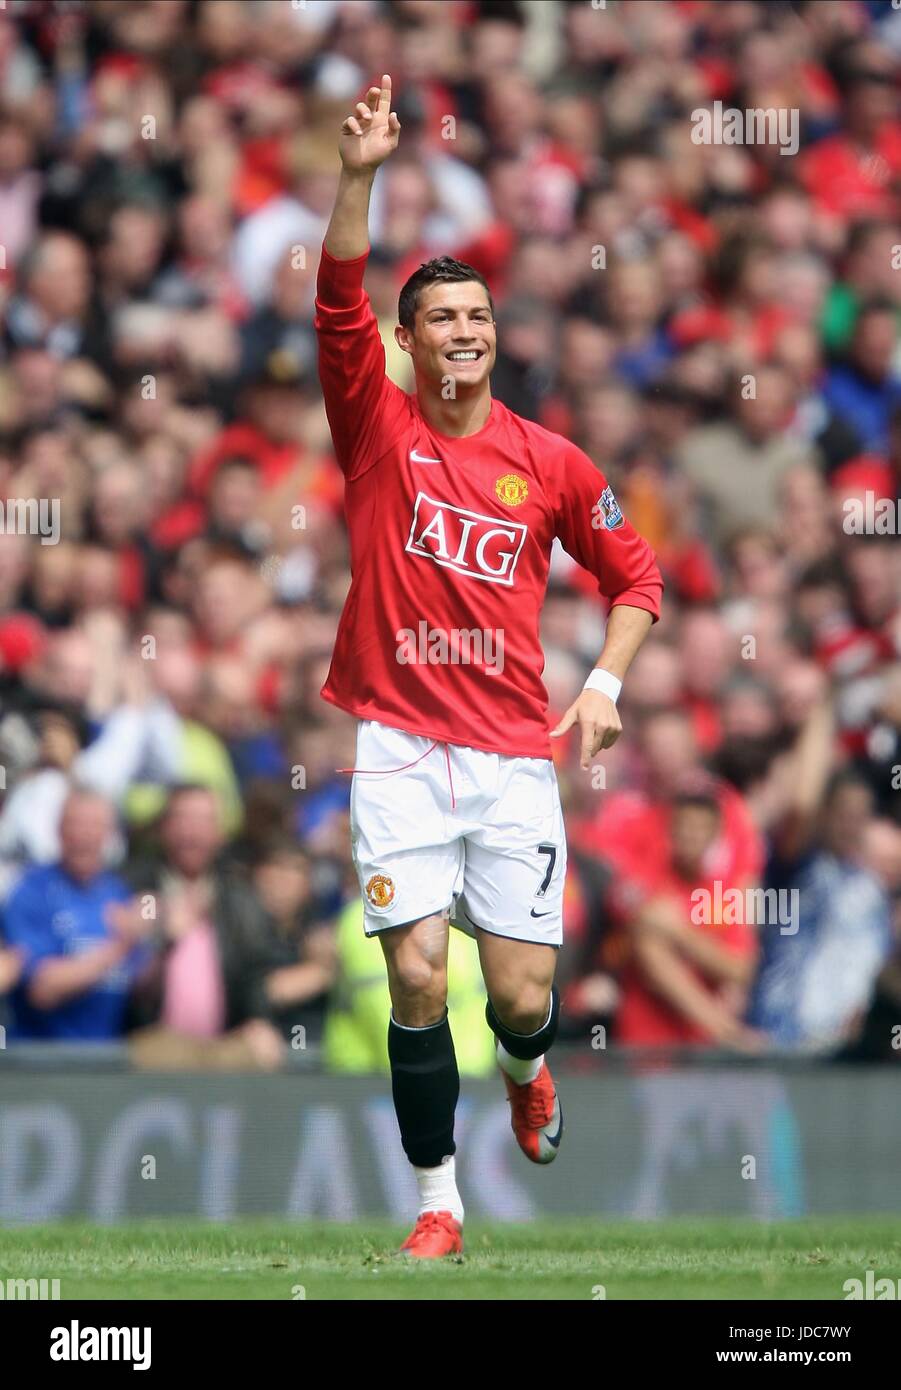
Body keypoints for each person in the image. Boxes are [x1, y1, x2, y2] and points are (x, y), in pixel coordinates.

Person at [314, 77, 662, 1258]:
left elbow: (639, 581)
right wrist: (359, 175)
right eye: (440, 320)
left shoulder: (549, 463)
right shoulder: (376, 428)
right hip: (398, 747)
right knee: (416, 975)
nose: (463, 331)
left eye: (478, 317)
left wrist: (604, 684)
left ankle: (526, 1068)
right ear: (407, 345)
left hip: (513, 756)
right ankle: (437, 1204)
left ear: (493, 334)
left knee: (515, 998)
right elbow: (333, 297)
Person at [3, 789, 152, 1041]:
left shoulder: (117, 892)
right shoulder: (32, 889)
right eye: (75, 824)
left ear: (109, 835)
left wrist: (155, 928)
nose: (84, 835)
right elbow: (42, 990)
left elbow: (142, 986)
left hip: (105, 1060)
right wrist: (118, 948)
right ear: (59, 831)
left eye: (95, 825)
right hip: (41, 1060)